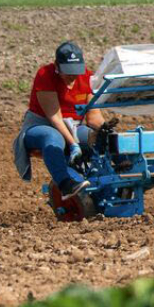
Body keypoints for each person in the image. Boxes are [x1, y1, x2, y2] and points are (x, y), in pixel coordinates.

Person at [12, 41, 109, 196]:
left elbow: (93, 117)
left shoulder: (88, 78)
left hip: (74, 126)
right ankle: (65, 184)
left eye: (76, 71)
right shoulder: (45, 75)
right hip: (42, 125)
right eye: (68, 71)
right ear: (57, 66)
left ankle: (116, 173)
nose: (72, 76)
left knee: (98, 137)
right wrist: (73, 145)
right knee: (53, 137)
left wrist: (106, 131)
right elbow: (55, 117)